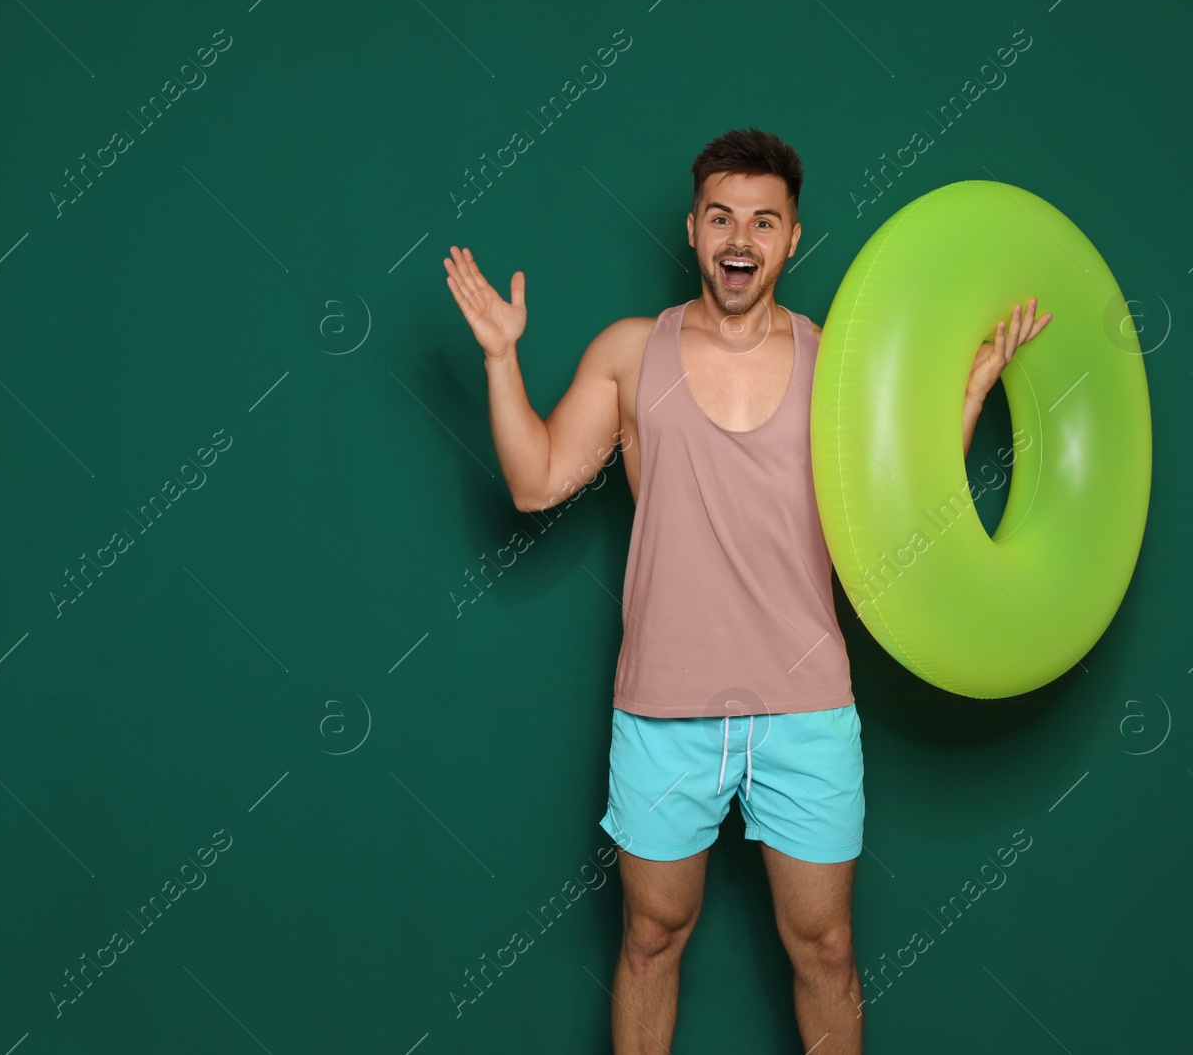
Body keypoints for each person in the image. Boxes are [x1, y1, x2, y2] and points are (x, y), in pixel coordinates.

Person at [444, 127, 1048, 1054]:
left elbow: (896, 513)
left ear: (792, 238)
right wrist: (499, 359)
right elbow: (536, 484)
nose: (740, 238)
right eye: (722, 217)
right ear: (692, 230)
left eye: (763, 222)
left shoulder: (837, 362)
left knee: (829, 949)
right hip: (664, 709)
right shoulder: (629, 352)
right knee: (651, 939)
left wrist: (967, 401)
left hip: (805, 709)